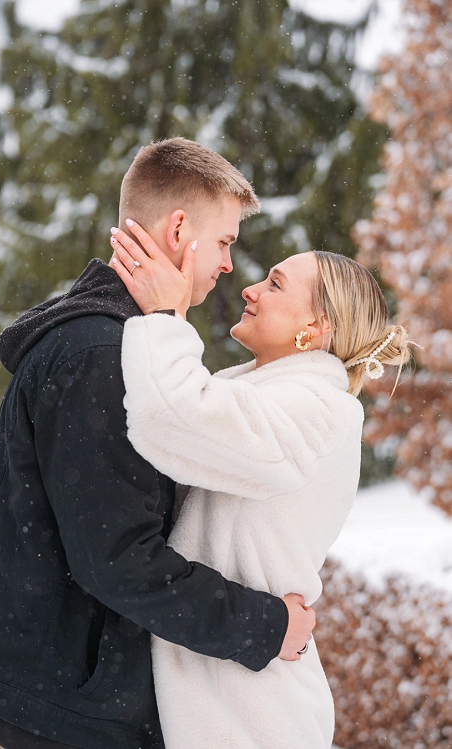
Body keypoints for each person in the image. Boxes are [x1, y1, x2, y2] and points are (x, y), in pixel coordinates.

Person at [0, 138, 315, 749]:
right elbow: (118, 561)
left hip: (38, 696)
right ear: (179, 230)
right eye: (224, 241)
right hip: (41, 713)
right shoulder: (104, 357)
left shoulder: (111, 345)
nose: (230, 264)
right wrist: (267, 626)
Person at [108, 222, 413, 749]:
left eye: (274, 284)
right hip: (220, 689)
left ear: (316, 326)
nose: (250, 289)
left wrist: (164, 315)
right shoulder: (259, 392)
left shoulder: (321, 411)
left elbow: (173, 417)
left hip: (252, 715)